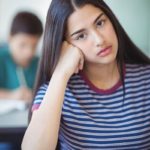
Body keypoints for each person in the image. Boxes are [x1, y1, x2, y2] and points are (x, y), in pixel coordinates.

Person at [22, 0, 150, 149]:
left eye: (100, 23)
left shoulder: (146, 79)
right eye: (81, 36)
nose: (99, 40)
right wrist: (61, 72)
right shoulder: (55, 93)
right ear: (66, 46)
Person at [0, 11, 43, 102]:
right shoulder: (2, 58)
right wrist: (11, 95)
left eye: (34, 45)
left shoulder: (39, 63)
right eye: (22, 45)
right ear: (10, 38)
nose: (29, 52)